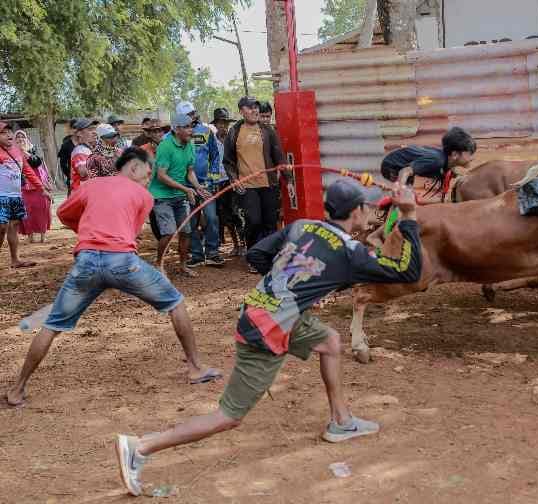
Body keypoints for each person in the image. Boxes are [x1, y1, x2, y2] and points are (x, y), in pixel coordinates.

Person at [115, 178, 422, 496]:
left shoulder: (303, 226)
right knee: (229, 416)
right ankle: (141, 446)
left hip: (262, 311)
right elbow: (409, 271)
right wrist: (409, 214)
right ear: (356, 212)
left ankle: (341, 422)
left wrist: (292, 289)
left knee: (329, 340)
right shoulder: (351, 252)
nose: (372, 210)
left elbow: (258, 256)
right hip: (267, 330)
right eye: (369, 206)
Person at [5, 148, 222, 408]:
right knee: (175, 303)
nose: (148, 180)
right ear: (133, 167)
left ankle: (17, 390)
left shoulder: (91, 185)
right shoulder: (143, 196)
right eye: (147, 173)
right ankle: (196, 368)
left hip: (85, 261)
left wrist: (88, 231)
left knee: (52, 325)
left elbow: (64, 214)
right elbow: (129, 234)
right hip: (122, 261)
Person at [366, 127, 477, 247]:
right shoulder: (436, 161)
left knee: (409, 200)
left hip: (403, 165)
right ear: (455, 154)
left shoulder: (444, 161)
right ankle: (379, 235)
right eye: (470, 153)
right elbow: (405, 171)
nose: (473, 157)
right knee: (404, 202)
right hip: (393, 166)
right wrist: (400, 189)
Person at [224, 97, 285, 263]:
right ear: (241, 111)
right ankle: (253, 254)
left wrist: (283, 169)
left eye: (256, 108)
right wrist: (234, 179)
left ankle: (270, 256)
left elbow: (278, 155)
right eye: (250, 108)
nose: (254, 111)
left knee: (270, 222)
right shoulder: (235, 131)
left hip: (268, 184)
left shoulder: (268, 131)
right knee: (254, 220)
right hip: (247, 186)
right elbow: (228, 161)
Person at [150, 113, 211, 277]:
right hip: (162, 196)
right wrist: (186, 189)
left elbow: (190, 172)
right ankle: (158, 263)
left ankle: (183, 265)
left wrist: (197, 187)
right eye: (187, 127)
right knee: (169, 233)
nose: (191, 130)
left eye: (191, 126)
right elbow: (161, 176)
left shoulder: (190, 145)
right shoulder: (165, 146)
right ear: (176, 129)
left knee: (186, 231)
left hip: (180, 195)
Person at [175, 101, 224, 268]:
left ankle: (212, 252)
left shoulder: (206, 131)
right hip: (186, 186)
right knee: (191, 221)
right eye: (186, 115)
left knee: (211, 217)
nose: (191, 117)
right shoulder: (173, 135)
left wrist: (213, 177)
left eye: (192, 113)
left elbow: (215, 155)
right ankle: (196, 254)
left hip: (206, 184)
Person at [0, 121, 38, 268]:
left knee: (14, 225)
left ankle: (15, 260)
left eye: (10, 131)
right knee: (2, 227)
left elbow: (28, 171)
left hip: (15, 196)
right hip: (1, 196)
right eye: (3, 132)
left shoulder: (17, 151)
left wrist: (42, 189)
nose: (9, 134)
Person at [210, 107, 245, 256]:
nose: (223, 126)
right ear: (216, 124)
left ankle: (243, 244)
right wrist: (214, 181)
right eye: (220, 123)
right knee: (225, 215)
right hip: (220, 182)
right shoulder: (210, 140)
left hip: (234, 180)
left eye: (225, 123)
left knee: (238, 213)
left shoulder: (234, 138)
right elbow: (210, 161)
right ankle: (235, 244)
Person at [15, 130, 53, 243]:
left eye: (22, 137)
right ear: (14, 140)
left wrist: (24, 152)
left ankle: (43, 235)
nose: (20, 139)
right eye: (18, 137)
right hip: (22, 183)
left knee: (42, 207)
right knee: (27, 210)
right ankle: (30, 236)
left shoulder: (33, 148)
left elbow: (37, 162)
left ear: (26, 138)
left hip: (38, 181)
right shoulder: (11, 152)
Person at [69, 118, 100, 191]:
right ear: (79, 133)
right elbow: (83, 172)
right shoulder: (80, 150)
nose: (94, 132)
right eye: (90, 129)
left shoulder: (88, 149)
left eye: (95, 129)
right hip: (82, 196)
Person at [57, 119, 78, 194]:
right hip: (72, 179)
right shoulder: (66, 145)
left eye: (79, 128)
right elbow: (63, 163)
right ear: (71, 129)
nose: (76, 130)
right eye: (74, 128)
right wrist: (69, 175)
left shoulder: (85, 143)